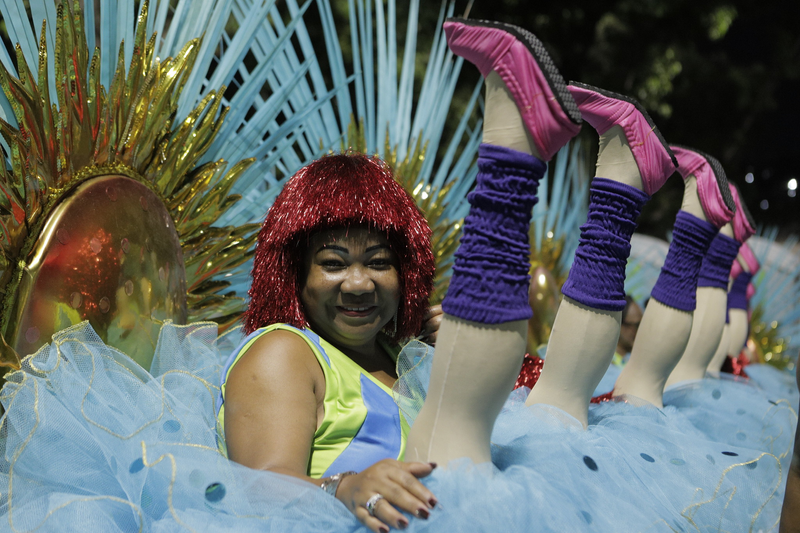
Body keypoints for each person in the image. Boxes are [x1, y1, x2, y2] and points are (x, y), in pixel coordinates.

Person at [216, 154, 442, 532]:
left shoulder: (406, 356)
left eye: (379, 262)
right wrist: (345, 488)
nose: (359, 284)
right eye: (334, 263)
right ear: (295, 274)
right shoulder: (283, 351)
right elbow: (258, 487)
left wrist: (455, 359)